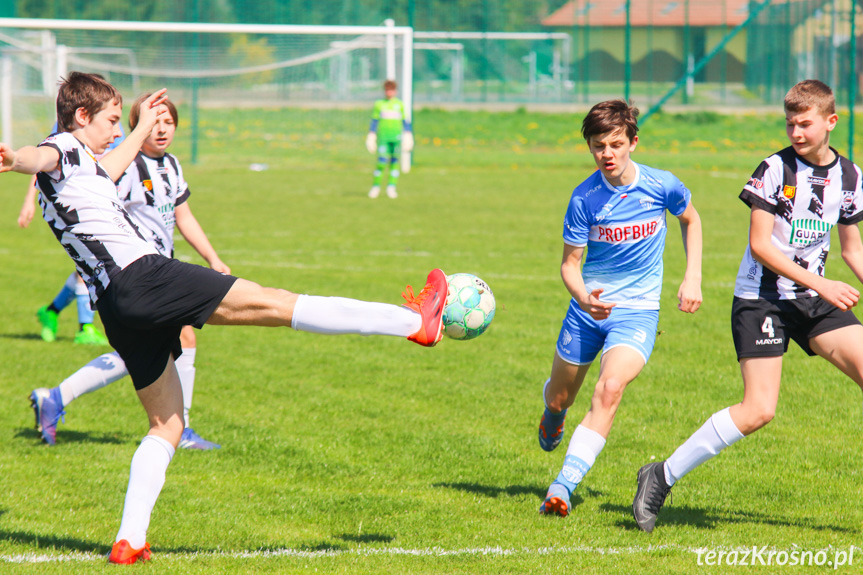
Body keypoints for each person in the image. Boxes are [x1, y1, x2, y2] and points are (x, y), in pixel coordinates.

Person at [0, 72, 447, 564]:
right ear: (80, 117)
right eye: (109, 120)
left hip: (115, 307)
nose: (114, 130)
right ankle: (413, 322)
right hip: (144, 276)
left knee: (166, 426)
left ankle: (130, 540)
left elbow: (109, 163)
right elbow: (38, 156)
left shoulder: (88, 166)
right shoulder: (60, 149)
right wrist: (15, 158)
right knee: (276, 303)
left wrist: (140, 122)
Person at [632, 79, 863, 533]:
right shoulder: (774, 169)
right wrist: (822, 282)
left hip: (814, 298)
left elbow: (852, 250)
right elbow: (760, 246)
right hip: (762, 299)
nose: (796, 131)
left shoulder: (851, 177)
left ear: (831, 121)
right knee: (759, 409)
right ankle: (661, 475)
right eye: (790, 123)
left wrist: (826, 283)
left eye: (805, 123)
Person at [29, 93, 226, 450]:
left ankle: (57, 398)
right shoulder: (126, 166)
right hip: (135, 276)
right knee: (170, 343)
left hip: (159, 271)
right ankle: (181, 430)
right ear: (140, 126)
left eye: (170, 122)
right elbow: (81, 192)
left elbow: (183, 216)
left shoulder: (172, 166)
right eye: (156, 122)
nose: (163, 129)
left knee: (159, 348)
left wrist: (213, 257)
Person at [536, 100, 703, 518]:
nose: (607, 154)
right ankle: (553, 415)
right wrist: (583, 297)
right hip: (588, 312)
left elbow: (691, 219)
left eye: (615, 144)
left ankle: (563, 486)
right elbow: (569, 265)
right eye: (598, 146)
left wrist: (692, 276)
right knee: (560, 398)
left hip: (638, 312)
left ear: (633, 141)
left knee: (609, 389)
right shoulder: (584, 199)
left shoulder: (661, 184)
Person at [19, 120, 124, 345]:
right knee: (88, 266)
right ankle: (85, 328)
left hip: (106, 203)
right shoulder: (68, 129)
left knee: (86, 267)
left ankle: (52, 311)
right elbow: (42, 161)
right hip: (76, 208)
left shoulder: (114, 127)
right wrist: (29, 200)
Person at [365, 79, 413, 199]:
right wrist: (371, 135)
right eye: (387, 90)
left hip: (396, 137)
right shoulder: (379, 104)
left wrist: (408, 134)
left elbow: (405, 121)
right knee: (381, 162)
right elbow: (375, 120)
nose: (389, 92)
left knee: (394, 162)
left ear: (395, 91)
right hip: (384, 137)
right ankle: (376, 186)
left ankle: (391, 187)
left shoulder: (399, 104)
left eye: (391, 90)